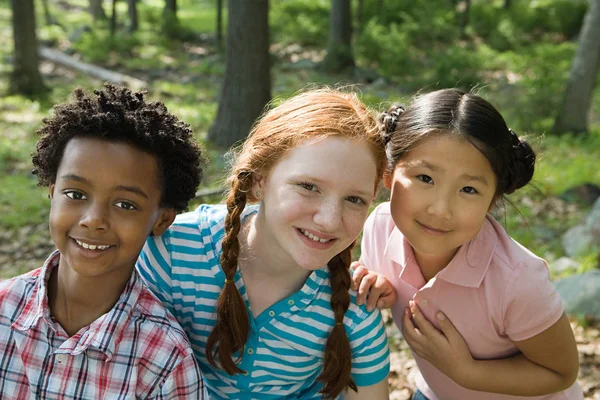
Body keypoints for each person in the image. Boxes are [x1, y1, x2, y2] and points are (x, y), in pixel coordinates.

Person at [136, 88, 391, 400]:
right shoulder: (171, 253)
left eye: (354, 199)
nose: (329, 220)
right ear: (260, 180)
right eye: (308, 186)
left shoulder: (354, 307)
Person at [352, 88, 583, 400]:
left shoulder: (516, 280)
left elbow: (561, 372)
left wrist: (466, 372)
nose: (440, 209)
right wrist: (377, 284)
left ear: (492, 201)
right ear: (389, 174)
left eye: (469, 189)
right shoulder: (380, 228)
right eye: (425, 178)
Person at [0, 83, 206, 399]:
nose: (93, 219)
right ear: (53, 194)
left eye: (125, 204)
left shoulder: (164, 359)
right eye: (75, 194)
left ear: (161, 219)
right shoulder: (2, 310)